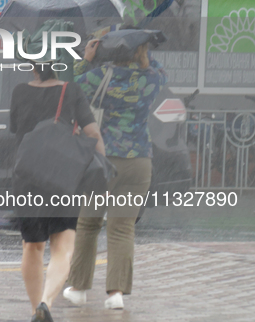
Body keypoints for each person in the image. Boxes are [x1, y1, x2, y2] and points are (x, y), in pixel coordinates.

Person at [63, 38, 167, 310]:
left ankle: (78, 288)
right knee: (122, 228)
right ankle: (116, 294)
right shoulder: (151, 79)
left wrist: (87, 58)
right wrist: (145, 53)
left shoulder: (101, 76)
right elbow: (162, 73)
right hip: (140, 160)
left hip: (104, 160)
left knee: (88, 224)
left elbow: (72, 85)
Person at [10, 63, 104, 322]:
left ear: (34, 66)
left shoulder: (19, 91)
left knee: (32, 246)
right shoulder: (71, 90)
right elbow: (92, 132)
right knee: (63, 246)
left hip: (27, 175)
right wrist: (103, 167)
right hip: (62, 175)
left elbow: (16, 129)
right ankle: (46, 301)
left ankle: (33, 310)